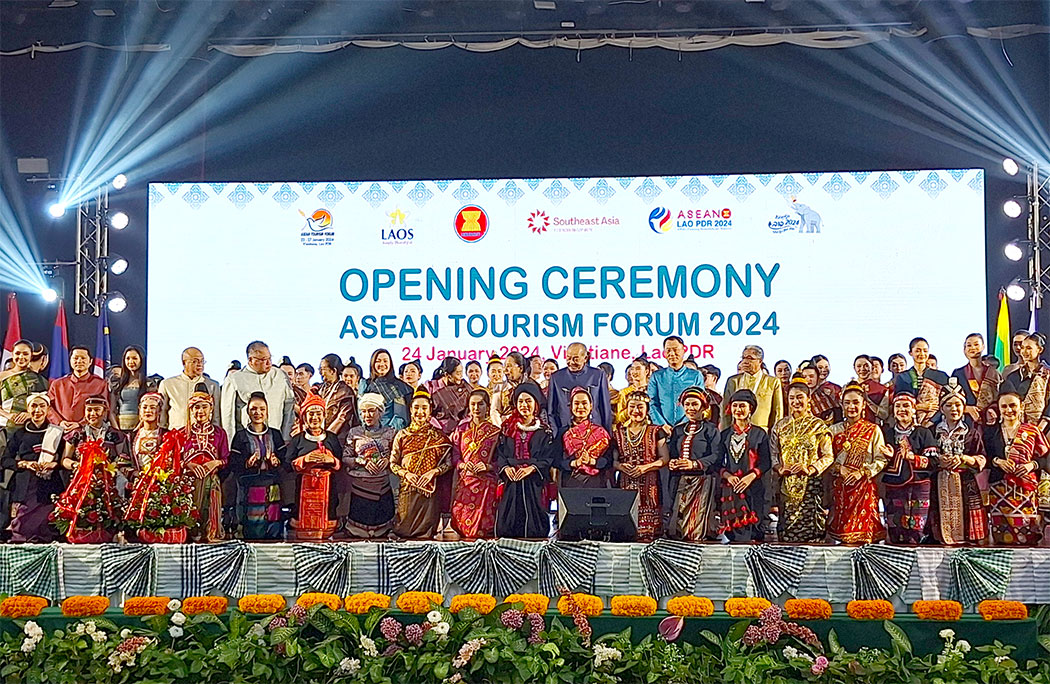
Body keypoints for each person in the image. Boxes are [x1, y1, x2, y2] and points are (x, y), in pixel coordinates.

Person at [53, 396, 128, 543]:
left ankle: (111, 533)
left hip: (108, 481)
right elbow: (65, 460)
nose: (92, 413)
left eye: (97, 410)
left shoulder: (115, 434)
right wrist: (77, 465)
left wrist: (110, 467)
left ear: (105, 412)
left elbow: (123, 457)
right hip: (82, 480)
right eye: (89, 410)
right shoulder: (77, 434)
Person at [770, 375, 833, 543]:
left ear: (808, 399)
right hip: (787, 484)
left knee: (811, 529)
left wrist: (811, 468)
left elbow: (828, 456)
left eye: (800, 397)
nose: (795, 402)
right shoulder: (780, 426)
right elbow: (774, 453)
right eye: (791, 398)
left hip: (810, 484)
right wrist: (779, 468)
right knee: (787, 528)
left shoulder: (818, 425)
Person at [928, 379, 988, 545]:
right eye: (949, 405)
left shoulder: (972, 432)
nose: (954, 409)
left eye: (958, 405)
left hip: (965, 481)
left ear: (963, 408)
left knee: (968, 524)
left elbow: (981, 457)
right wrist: (938, 459)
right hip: (939, 483)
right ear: (941, 408)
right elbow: (926, 455)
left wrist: (964, 459)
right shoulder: (932, 431)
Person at [827, 381, 888, 544]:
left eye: (855, 402)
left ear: (863, 405)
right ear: (841, 405)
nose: (851, 407)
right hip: (841, 488)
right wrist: (840, 469)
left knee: (865, 538)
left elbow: (881, 459)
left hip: (864, 489)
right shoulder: (833, 431)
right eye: (847, 403)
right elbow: (826, 459)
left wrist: (861, 472)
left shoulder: (873, 430)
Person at [985, 391, 1048, 545]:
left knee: (1027, 535)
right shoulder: (991, 432)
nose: (1009, 410)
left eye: (1013, 405)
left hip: (1025, 489)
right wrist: (997, 461)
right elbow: (983, 456)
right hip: (999, 489)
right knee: (1002, 535)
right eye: (1004, 406)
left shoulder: (1033, 431)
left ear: (1022, 407)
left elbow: (1045, 457)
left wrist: (1031, 465)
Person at [389, 389, 452, 539]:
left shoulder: (439, 436)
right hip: (408, 488)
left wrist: (433, 472)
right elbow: (393, 463)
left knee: (426, 535)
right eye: (416, 407)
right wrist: (407, 474)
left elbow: (448, 463)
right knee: (404, 529)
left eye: (424, 408)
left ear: (430, 411)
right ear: (410, 410)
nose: (420, 412)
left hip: (429, 491)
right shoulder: (402, 435)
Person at [495, 384, 555, 539]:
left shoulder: (544, 430)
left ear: (535, 404)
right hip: (512, 479)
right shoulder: (507, 428)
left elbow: (548, 457)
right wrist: (506, 468)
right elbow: (500, 453)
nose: (524, 405)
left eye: (528, 401)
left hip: (533, 481)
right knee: (508, 522)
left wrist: (531, 468)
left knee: (534, 523)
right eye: (521, 401)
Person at [3, 393, 64, 542]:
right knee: (23, 524)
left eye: (42, 406)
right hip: (25, 484)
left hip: (49, 483)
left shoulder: (56, 433)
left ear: (48, 409)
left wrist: (53, 464)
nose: (38, 410)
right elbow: (5, 460)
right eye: (34, 406)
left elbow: (64, 459)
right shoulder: (19, 434)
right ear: (28, 409)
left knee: (45, 523)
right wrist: (24, 464)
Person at [881, 391, 938, 544]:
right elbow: (880, 461)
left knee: (916, 529)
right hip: (894, 485)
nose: (902, 410)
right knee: (895, 525)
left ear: (914, 409)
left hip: (919, 485)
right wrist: (889, 456)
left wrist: (914, 458)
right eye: (897, 406)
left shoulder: (923, 433)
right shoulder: (887, 433)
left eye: (906, 406)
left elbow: (934, 461)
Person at [228, 392, 287, 540]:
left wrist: (276, 462)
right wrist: (247, 463)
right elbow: (233, 463)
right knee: (251, 526)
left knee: (272, 524)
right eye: (254, 409)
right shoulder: (240, 436)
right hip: (250, 487)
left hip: (272, 486)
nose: (258, 413)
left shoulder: (275, 434)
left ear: (267, 412)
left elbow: (285, 459)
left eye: (261, 409)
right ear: (248, 412)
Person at [612, 389, 668, 541]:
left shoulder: (656, 431)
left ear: (647, 410)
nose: (635, 411)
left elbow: (664, 459)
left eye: (640, 407)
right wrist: (621, 467)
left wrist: (645, 467)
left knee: (648, 535)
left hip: (650, 484)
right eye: (632, 406)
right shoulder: (618, 432)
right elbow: (614, 460)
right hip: (626, 483)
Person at [667, 387, 721, 541]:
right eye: (687, 404)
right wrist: (672, 462)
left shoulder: (711, 430)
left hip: (702, 481)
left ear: (703, 407)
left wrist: (694, 464)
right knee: (677, 525)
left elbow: (716, 456)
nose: (690, 408)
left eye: (694, 404)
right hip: (681, 481)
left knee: (695, 529)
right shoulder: (678, 430)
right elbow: (671, 453)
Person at [286, 392, 343, 540]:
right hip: (304, 488)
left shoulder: (332, 438)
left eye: (318, 413)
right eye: (311, 414)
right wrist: (305, 459)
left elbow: (341, 463)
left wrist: (330, 459)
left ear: (324, 416)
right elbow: (287, 464)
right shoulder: (298, 439)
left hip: (328, 488)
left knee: (327, 524)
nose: (315, 418)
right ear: (304, 417)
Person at [717, 389, 771, 542]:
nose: (738, 410)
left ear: (750, 409)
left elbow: (766, 462)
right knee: (734, 535)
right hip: (732, 488)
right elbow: (717, 462)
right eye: (735, 406)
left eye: (742, 406)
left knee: (754, 531)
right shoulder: (725, 435)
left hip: (754, 487)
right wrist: (728, 476)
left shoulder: (759, 433)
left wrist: (751, 476)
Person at [342, 393, 397, 539]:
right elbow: (346, 457)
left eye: (371, 410)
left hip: (382, 484)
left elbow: (397, 456)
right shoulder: (354, 433)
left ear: (380, 412)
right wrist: (362, 461)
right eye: (364, 411)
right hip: (360, 485)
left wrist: (387, 460)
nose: (367, 415)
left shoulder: (390, 433)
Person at [449, 389, 502, 539]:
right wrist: (463, 465)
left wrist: (488, 466)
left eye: (480, 404)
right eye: (473, 404)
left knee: (484, 529)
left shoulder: (495, 432)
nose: (476, 408)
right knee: (462, 526)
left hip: (486, 485)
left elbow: (501, 460)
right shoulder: (461, 430)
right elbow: (454, 457)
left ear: (487, 406)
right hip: (465, 483)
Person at [222, 341, 295, 445]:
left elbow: (289, 408)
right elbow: (227, 416)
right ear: (251, 359)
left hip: (276, 439)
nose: (268, 363)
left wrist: (286, 437)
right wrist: (230, 444)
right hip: (246, 441)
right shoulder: (235, 379)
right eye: (263, 360)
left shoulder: (281, 376)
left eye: (270, 358)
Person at [180, 388, 229, 542]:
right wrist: (189, 465)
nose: (200, 411)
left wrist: (215, 462)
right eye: (196, 407)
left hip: (211, 480)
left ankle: (210, 532)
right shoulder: (182, 433)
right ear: (190, 410)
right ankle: (191, 533)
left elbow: (226, 459)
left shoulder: (219, 433)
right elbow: (176, 460)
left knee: (210, 507)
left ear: (211, 408)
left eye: (204, 407)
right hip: (189, 482)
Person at [556, 387, 614, 488]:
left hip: (597, 483)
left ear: (591, 406)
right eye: (577, 403)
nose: (580, 407)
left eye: (584, 403)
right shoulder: (563, 432)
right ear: (571, 407)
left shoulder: (600, 432)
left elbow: (609, 460)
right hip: (570, 482)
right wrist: (574, 463)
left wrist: (591, 461)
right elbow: (556, 460)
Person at [548, 343, 612, 433]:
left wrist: (608, 434)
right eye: (568, 358)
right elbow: (551, 411)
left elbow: (605, 408)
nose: (571, 362)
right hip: (566, 430)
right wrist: (556, 434)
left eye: (575, 359)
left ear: (585, 358)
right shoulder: (556, 377)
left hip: (595, 431)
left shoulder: (598, 375)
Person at [720, 345, 783, 432]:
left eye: (750, 358)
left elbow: (777, 413)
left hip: (762, 434)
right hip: (736, 433)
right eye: (744, 358)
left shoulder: (772, 382)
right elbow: (725, 412)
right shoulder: (733, 381)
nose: (745, 361)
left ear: (760, 361)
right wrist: (725, 434)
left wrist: (775, 437)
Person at [648, 336, 702, 434]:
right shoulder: (657, 376)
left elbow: (700, 402)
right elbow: (652, 403)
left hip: (689, 429)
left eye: (675, 350)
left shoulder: (695, 376)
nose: (672, 354)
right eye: (668, 350)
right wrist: (662, 425)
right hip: (662, 430)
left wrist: (683, 424)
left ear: (683, 350)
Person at [158, 347, 221, 430]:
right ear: (184, 363)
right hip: (176, 435)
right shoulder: (168, 384)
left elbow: (216, 416)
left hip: (203, 436)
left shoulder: (213, 385)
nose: (200, 364)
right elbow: (162, 414)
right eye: (195, 361)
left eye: (202, 361)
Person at [47, 346, 108, 431]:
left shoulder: (100, 384)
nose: (79, 361)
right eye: (75, 358)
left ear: (90, 362)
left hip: (88, 431)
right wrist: (59, 422)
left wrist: (80, 424)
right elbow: (47, 406)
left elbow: (104, 409)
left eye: (83, 358)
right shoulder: (57, 384)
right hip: (60, 430)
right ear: (70, 361)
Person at [893, 337, 949, 427]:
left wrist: (932, 420)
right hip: (910, 423)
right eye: (918, 350)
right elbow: (899, 402)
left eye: (925, 351)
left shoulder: (940, 376)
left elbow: (947, 401)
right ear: (911, 353)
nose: (922, 354)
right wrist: (919, 407)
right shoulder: (902, 377)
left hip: (937, 423)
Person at [1001, 333, 1050, 431]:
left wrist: (1042, 425)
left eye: (1029, 348)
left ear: (1040, 350)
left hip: (1045, 428)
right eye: (1022, 348)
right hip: (1017, 428)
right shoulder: (1013, 376)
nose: (1024, 351)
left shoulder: (1047, 374)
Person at [0, 339, 49, 436]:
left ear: (31, 356)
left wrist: (29, 414)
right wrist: (8, 415)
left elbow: (45, 405)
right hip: (3, 426)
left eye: (25, 354)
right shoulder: (2, 377)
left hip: (29, 428)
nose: (21, 357)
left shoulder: (40, 380)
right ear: (12, 355)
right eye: (17, 353)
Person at [951, 333, 1001, 423]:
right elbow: (951, 400)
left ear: (983, 347)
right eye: (969, 345)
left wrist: (993, 409)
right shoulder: (958, 373)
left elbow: (1000, 397)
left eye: (976, 344)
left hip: (990, 421)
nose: (973, 348)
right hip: (967, 422)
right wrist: (967, 409)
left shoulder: (993, 373)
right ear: (964, 350)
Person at [364, 349, 414, 430]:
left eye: (385, 361)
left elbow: (401, 416)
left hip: (393, 432)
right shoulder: (366, 385)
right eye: (378, 361)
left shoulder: (400, 387)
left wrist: (387, 432)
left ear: (390, 364)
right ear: (373, 364)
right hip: (370, 432)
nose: (382, 364)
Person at [316, 353, 359, 438]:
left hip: (336, 439)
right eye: (320, 369)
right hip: (318, 436)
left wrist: (326, 437)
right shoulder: (320, 389)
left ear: (333, 371)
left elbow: (342, 418)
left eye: (323, 369)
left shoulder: (345, 392)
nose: (321, 372)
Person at [109, 345, 147, 432]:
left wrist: (139, 428)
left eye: (134, 358)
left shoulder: (149, 384)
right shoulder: (117, 384)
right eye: (128, 358)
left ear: (141, 360)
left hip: (141, 429)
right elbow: (112, 411)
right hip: (120, 429)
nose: (131, 361)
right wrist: (117, 431)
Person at [494, 352, 538, 425]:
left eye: (509, 366)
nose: (505, 370)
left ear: (520, 368)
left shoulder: (532, 386)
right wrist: (500, 428)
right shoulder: (500, 387)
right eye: (504, 366)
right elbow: (495, 411)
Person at [129, 392, 167, 476]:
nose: (148, 411)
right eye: (145, 407)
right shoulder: (131, 437)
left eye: (152, 408)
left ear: (159, 411)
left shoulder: (166, 436)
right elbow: (124, 462)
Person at [431, 357, 471, 435]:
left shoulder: (466, 389)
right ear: (447, 375)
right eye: (458, 373)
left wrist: (461, 428)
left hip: (461, 432)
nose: (461, 376)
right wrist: (438, 429)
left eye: (462, 372)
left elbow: (470, 413)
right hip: (437, 431)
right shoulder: (432, 387)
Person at [614, 356, 651, 426]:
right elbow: (620, 417)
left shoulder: (652, 390)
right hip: (630, 428)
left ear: (646, 371)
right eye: (632, 369)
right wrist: (631, 407)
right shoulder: (625, 392)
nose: (634, 372)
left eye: (638, 369)